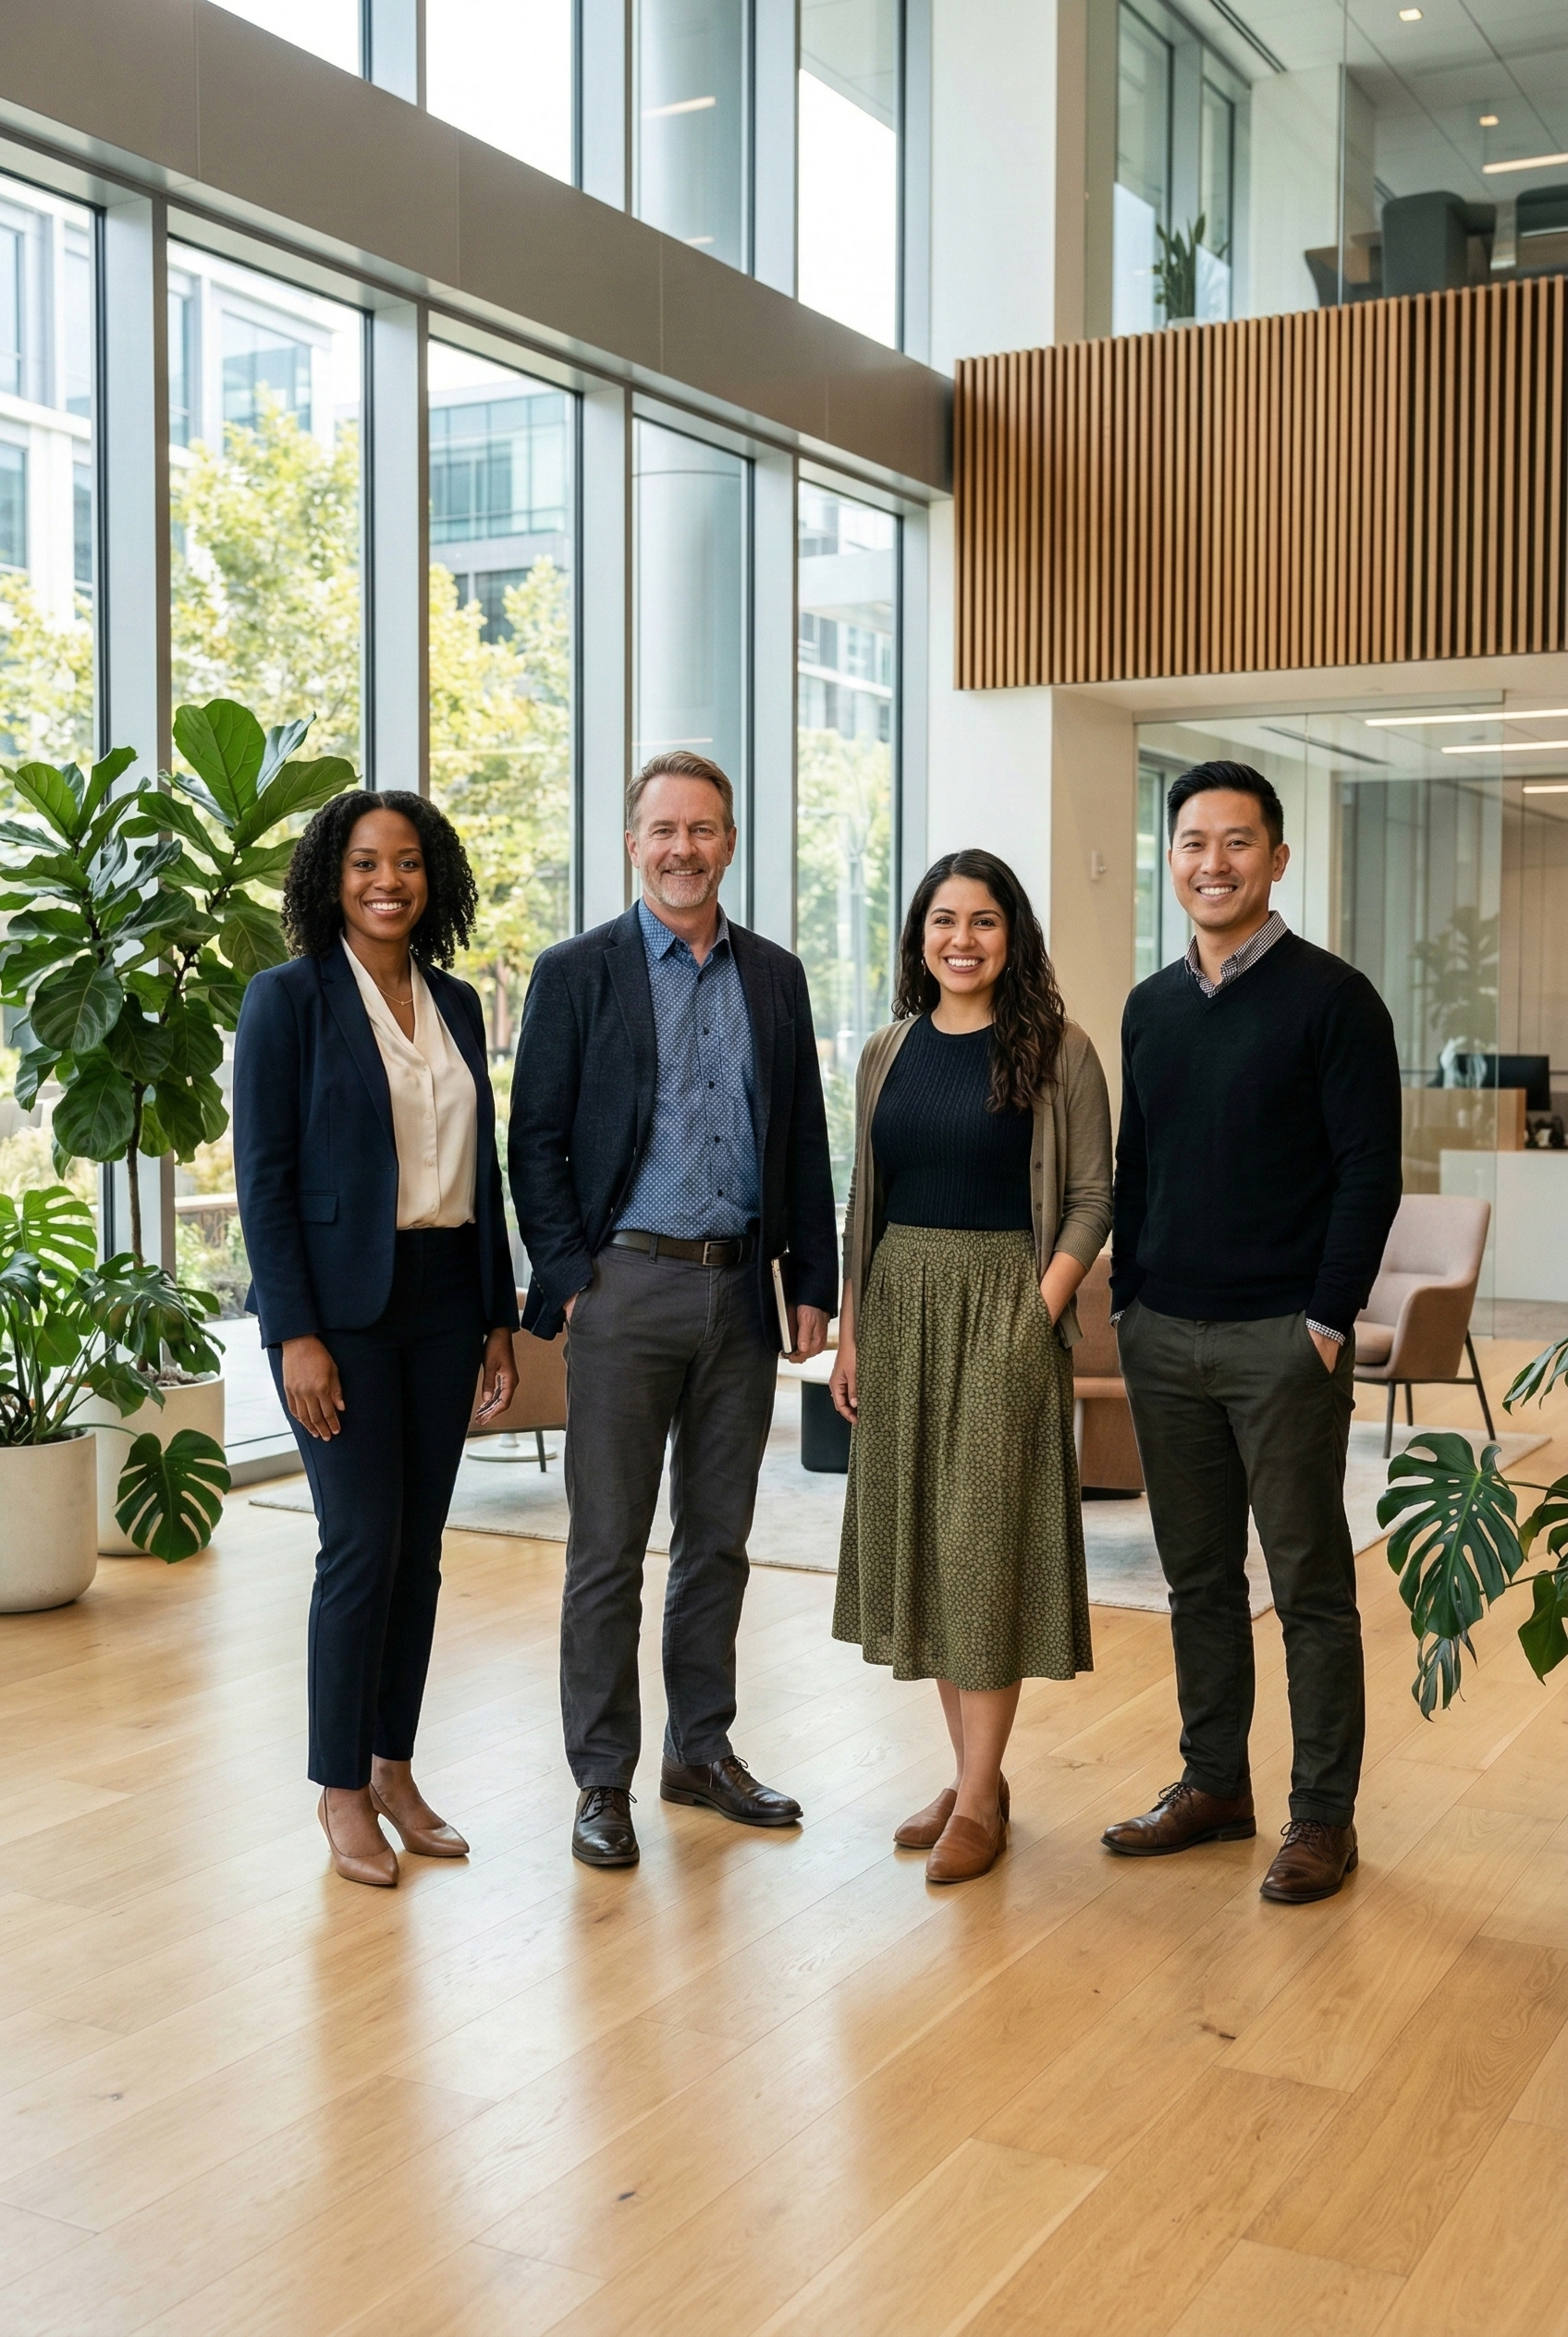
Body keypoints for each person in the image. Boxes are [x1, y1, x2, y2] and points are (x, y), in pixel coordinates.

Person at [509, 750, 839, 1868]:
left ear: (729, 844)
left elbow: (803, 1135)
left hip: (741, 1289)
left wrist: (813, 1280)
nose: (683, 848)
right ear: (632, 843)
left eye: (703, 829)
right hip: (626, 1287)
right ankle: (601, 1778)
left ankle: (700, 1750)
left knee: (718, 1542)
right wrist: (572, 1277)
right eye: (664, 829)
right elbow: (533, 1140)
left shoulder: (775, 976)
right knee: (607, 1548)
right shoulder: (576, 972)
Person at [1104, 759, 1402, 1904]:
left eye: (1236, 842)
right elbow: (1138, 1165)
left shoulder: (1335, 998)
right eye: (1192, 842)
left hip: (1282, 1338)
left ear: (1277, 858)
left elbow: (1368, 1172)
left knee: (1309, 1585)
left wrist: (1324, 1319)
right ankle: (1213, 1783)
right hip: (1162, 1333)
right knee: (1196, 1580)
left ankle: (1321, 1813)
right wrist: (1128, 1301)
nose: (1212, 862)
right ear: (1170, 858)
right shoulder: (1149, 1005)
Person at [234, 792, 519, 1889]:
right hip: (341, 1314)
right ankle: (340, 1787)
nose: (386, 880)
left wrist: (497, 1317)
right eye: (363, 862)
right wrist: (294, 1332)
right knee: (359, 1544)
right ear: (331, 877)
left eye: (405, 861)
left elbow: (480, 1171)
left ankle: (395, 1767)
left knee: (420, 1548)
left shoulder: (453, 1000)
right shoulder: (287, 999)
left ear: (431, 877)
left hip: (446, 1302)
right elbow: (264, 1178)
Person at [829, 850, 1113, 1884]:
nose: (962, 939)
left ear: (1012, 936)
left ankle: (982, 1797)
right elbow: (866, 1201)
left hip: (1006, 1306)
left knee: (984, 1550)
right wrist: (851, 1333)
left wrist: (1037, 1313)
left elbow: (1091, 1198)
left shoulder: (1059, 1049)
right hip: (900, 1306)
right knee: (929, 1549)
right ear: (919, 937)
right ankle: (971, 1778)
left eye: (983, 920)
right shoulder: (886, 1049)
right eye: (943, 920)